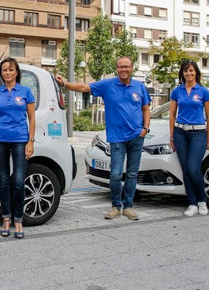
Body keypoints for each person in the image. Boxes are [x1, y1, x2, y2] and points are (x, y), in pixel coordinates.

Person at [55, 56, 151, 220]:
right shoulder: (108, 85)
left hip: (136, 137)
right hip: (117, 139)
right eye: (120, 67)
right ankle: (115, 206)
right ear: (117, 68)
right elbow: (84, 86)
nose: (123, 69)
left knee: (132, 174)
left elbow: (146, 109)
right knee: (115, 174)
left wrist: (145, 129)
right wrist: (65, 84)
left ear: (132, 68)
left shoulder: (139, 87)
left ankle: (128, 207)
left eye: (126, 66)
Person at [0, 57, 35, 239]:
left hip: (20, 141)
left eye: (10, 70)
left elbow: (32, 118)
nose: (7, 73)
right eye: (4, 70)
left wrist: (31, 141)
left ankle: (18, 220)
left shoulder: (25, 92)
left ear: (16, 72)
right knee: (4, 180)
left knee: (19, 181)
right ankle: (6, 218)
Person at [169, 61, 209, 217]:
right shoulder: (177, 91)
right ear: (182, 73)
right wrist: (172, 136)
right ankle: (192, 203)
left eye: (191, 71)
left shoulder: (203, 91)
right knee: (185, 170)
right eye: (186, 71)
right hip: (180, 132)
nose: (188, 73)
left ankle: (202, 200)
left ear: (196, 73)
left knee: (194, 169)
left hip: (198, 133)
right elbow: (172, 115)